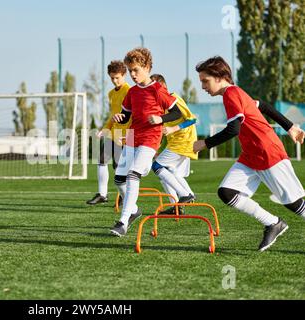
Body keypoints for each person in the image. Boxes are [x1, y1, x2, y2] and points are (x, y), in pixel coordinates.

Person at [193, 56, 305, 251]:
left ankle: (275, 223)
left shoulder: (231, 94)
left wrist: (205, 143)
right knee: (226, 192)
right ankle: (272, 223)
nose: (203, 86)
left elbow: (233, 130)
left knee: (294, 204)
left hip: (268, 153)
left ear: (220, 77)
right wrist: (290, 128)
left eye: (205, 81)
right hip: (251, 156)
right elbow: (263, 106)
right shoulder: (235, 93)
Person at [110, 47, 184, 237]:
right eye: (130, 70)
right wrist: (120, 117)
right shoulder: (132, 92)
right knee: (119, 179)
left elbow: (178, 113)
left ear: (147, 67)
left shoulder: (158, 90)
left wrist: (161, 119)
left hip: (150, 140)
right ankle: (134, 210)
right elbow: (127, 116)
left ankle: (123, 222)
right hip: (133, 137)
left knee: (133, 175)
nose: (133, 74)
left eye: (136, 70)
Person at [149, 74, 197, 214]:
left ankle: (185, 195)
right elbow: (163, 130)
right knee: (169, 174)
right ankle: (178, 206)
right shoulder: (160, 107)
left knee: (157, 166)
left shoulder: (173, 98)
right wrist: (157, 146)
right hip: (175, 142)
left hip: (184, 141)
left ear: (163, 87)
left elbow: (192, 119)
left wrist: (173, 128)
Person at [87, 61, 131, 205]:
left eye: (117, 77)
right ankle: (102, 194)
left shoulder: (129, 91)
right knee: (101, 160)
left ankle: (124, 197)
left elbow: (131, 115)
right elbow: (113, 115)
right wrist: (104, 129)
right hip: (113, 133)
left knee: (118, 167)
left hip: (126, 135)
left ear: (124, 75)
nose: (114, 80)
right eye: (112, 78)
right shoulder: (111, 93)